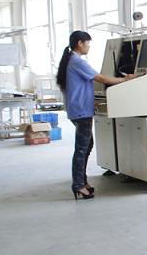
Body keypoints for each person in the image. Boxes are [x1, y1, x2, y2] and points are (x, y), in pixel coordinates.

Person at [56, 31, 136, 200]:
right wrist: (126, 79)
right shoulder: (77, 61)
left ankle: (82, 181)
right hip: (81, 111)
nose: (89, 47)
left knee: (86, 145)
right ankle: (78, 185)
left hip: (78, 108)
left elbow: (79, 86)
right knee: (82, 148)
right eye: (88, 43)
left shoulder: (70, 60)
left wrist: (90, 101)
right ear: (80, 43)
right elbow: (101, 78)